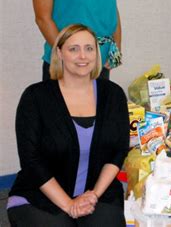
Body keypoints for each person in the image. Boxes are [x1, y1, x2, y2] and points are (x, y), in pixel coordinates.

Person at [7, 24, 129, 226]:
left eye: (89, 48)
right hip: (41, 194)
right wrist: (68, 204)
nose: (83, 56)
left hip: (97, 193)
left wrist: (94, 195)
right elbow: (30, 160)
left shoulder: (113, 95)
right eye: (74, 49)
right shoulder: (35, 97)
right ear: (59, 53)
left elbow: (118, 150)